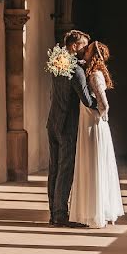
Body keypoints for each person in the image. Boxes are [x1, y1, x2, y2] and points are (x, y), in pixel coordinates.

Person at [70, 41, 125, 228]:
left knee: (93, 165)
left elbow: (104, 104)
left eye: (87, 51)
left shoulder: (94, 75)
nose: (84, 52)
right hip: (93, 124)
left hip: (93, 126)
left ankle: (94, 213)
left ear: (92, 56)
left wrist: (98, 115)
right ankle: (96, 210)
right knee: (94, 165)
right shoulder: (92, 72)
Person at [47, 29, 96, 227]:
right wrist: (101, 102)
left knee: (54, 168)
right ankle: (60, 215)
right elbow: (86, 99)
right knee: (65, 169)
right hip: (67, 124)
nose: (85, 50)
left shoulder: (57, 64)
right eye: (83, 46)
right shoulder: (75, 71)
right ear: (74, 46)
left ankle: (53, 212)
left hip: (52, 121)